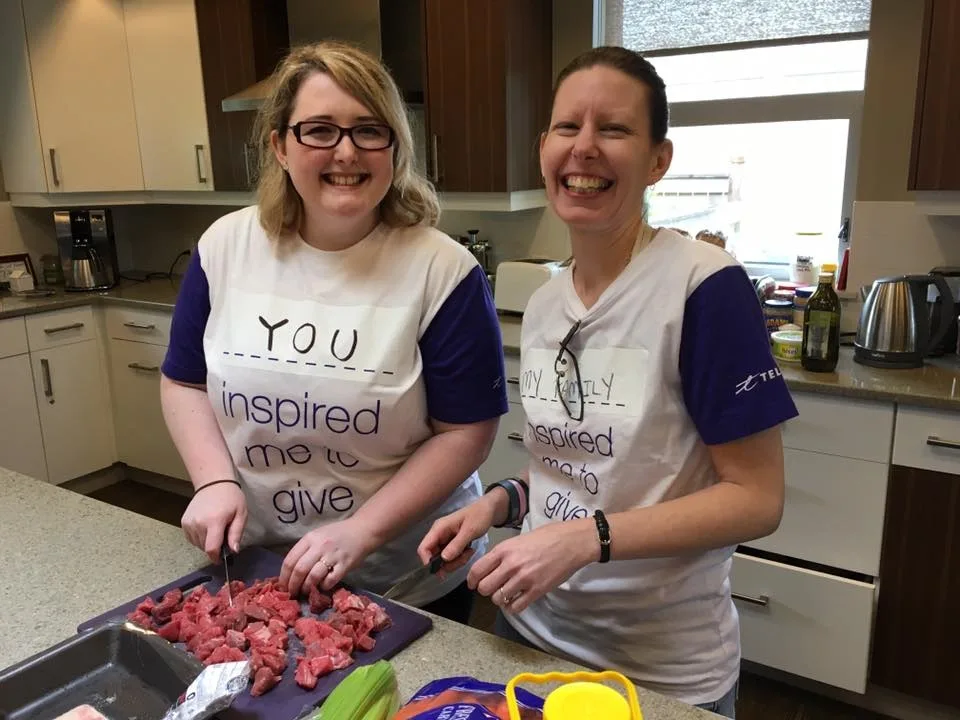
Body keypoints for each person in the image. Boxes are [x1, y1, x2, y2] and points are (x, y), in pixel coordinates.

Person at [418, 46, 798, 717]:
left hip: (659, 668)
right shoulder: (543, 302)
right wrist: (500, 503)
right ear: (544, 148)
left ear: (658, 160)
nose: (584, 148)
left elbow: (755, 499)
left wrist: (583, 539)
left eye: (614, 130)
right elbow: (575, 467)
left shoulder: (703, 286)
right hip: (529, 635)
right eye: (568, 128)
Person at [160, 41, 507, 624]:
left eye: (369, 130)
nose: (346, 151)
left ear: (395, 148)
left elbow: (467, 433)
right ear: (279, 144)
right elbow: (185, 382)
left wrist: (361, 532)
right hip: (257, 562)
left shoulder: (442, 272)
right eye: (318, 130)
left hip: (401, 575)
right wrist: (213, 481)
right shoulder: (224, 248)